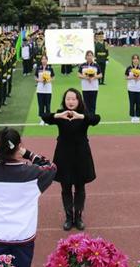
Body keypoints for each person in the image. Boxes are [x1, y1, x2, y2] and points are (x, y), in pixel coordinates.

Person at [0, 128, 56, 267]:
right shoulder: (33, 173)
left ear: (0, 147)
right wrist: (28, 154)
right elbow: (51, 167)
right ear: (19, 146)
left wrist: (2, 153)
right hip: (23, 234)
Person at [42, 88, 100, 231]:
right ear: (64, 100)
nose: (71, 101)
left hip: (81, 155)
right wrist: (58, 115)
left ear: (79, 100)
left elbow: (96, 119)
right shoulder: (61, 115)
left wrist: (81, 117)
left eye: (74, 99)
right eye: (68, 99)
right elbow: (44, 117)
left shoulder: (83, 115)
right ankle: (69, 217)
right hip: (64, 155)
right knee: (65, 187)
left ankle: (78, 217)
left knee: (80, 187)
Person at [77, 50, 102, 114]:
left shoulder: (96, 65)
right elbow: (78, 75)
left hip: (94, 87)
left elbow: (100, 75)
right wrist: (86, 77)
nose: (89, 57)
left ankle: (92, 117)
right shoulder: (82, 65)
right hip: (85, 87)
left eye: (91, 55)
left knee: (93, 103)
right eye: (88, 55)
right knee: (86, 103)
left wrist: (94, 77)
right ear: (86, 57)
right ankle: (87, 117)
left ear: (93, 56)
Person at [125, 54, 140, 123]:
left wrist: (139, 78)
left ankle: (137, 116)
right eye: (134, 59)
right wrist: (132, 77)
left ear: (139, 60)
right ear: (132, 60)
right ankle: (132, 116)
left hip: (139, 88)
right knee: (132, 103)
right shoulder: (129, 68)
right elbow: (126, 77)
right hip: (131, 88)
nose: (135, 60)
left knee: (138, 103)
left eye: (137, 59)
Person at [35, 54, 55, 125]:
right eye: (42, 59)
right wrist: (39, 80)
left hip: (48, 90)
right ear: (41, 60)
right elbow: (35, 77)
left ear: (47, 60)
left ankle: (47, 120)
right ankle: (42, 119)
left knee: (47, 105)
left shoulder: (50, 68)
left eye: (45, 59)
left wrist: (48, 80)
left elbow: (53, 77)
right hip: (40, 90)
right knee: (41, 105)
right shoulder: (38, 68)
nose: (44, 60)